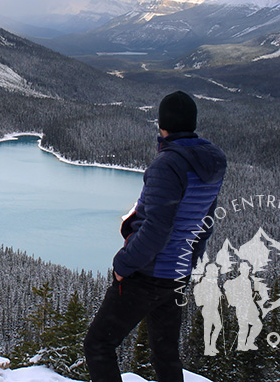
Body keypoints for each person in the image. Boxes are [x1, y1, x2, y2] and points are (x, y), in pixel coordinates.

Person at [84, 90, 227, 382]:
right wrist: (186, 265)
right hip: (175, 276)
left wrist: (123, 265)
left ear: (163, 125)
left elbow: (155, 229)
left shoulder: (167, 164)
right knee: (165, 354)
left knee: (98, 344)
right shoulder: (210, 165)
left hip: (146, 275)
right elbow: (205, 224)